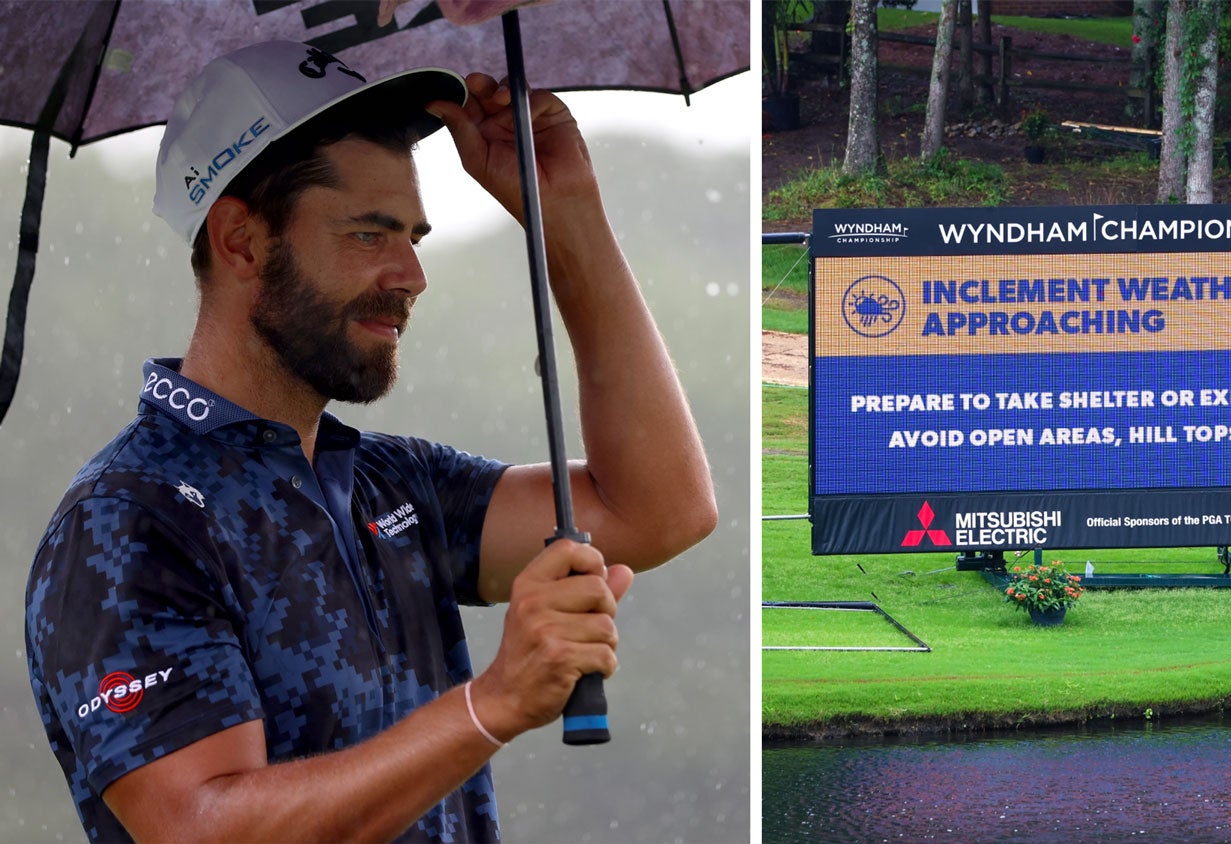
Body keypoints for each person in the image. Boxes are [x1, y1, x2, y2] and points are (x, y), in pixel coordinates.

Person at [23, 40, 716, 842]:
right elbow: (198, 829)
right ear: (241, 241)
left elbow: (661, 508)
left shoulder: (390, 482)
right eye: (369, 235)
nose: (411, 273)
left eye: (414, 237)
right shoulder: (128, 518)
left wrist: (566, 214)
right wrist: (491, 703)